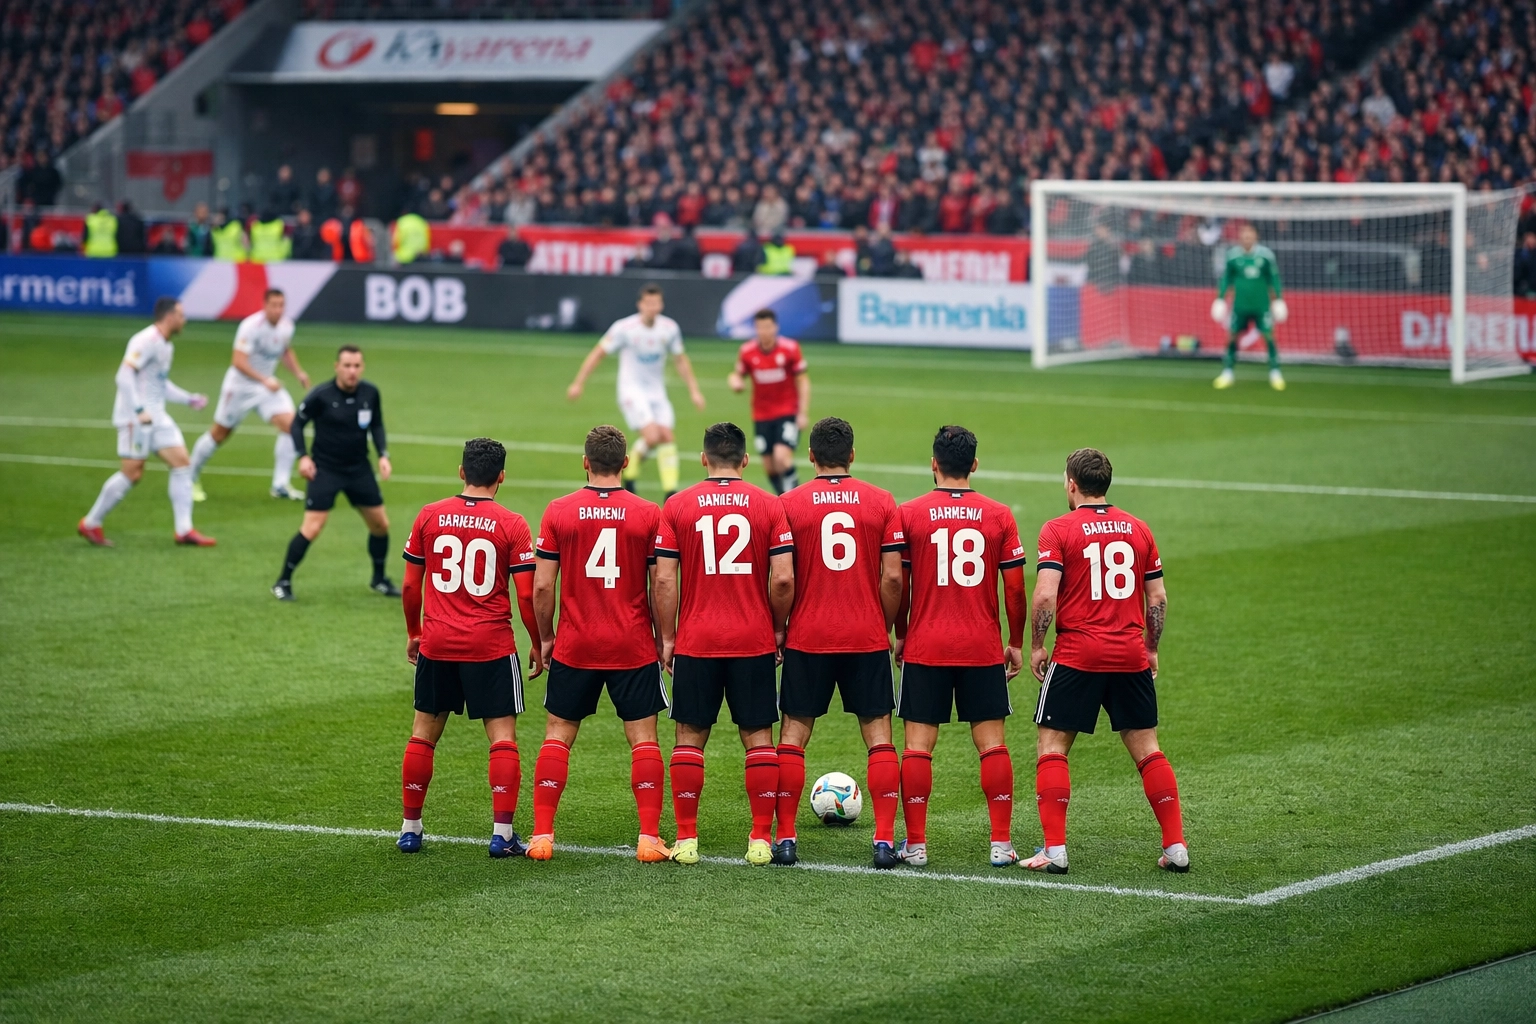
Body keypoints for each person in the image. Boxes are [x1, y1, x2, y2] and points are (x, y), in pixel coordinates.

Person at [1024, 448, 1185, 875]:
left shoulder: (1058, 529)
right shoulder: (1139, 529)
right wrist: (1151, 648)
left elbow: (1044, 595)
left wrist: (1038, 644)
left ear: (1072, 484)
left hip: (1078, 654)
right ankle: (1175, 846)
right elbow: (1158, 598)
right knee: (1148, 749)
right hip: (1130, 654)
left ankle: (1055, 850)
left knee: (1052, 746)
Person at [652, 422, 795, 866]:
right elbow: (784, 577)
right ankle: (759, 841)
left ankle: (688, 841)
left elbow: (663, 577)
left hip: (697, 639)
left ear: (704, 458)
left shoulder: (677, 505)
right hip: (752, 638)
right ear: (745, 460)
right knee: (758, 739)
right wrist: (776, 627)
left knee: (690, 738)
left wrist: (668, 636)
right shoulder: (770, 506)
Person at [527, 425, 671, 864]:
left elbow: (541, 587)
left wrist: (545, 636)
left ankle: (542, 837)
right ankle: (648, 839)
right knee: (643, 740)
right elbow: (661, 581)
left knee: (557, 737)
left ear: (585, 462)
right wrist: (666, 638)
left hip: (576, 642)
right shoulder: (648, 513)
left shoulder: (559, 511)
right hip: (631, 643)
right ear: (626, 464)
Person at [397, 437, 544, 857]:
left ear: (462, 472)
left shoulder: (429, 515)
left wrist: (414, 632)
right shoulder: (512, 523)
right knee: (502, 738)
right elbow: (527, 596)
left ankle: (410, 828)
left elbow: (410, 584)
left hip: (438, 643)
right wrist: (538, 642)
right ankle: (501, 835)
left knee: (423, 735)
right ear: (501, 477)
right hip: (490, 646)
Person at [893, 425, 1028, 868]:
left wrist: (900, 631)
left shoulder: (909, 513)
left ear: (934, 464)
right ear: (974, 464)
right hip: (981, 645)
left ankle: (915, 845)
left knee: (917, 746)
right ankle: (1002, 844)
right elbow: (1014, 590)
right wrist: (1014, 641)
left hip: (926, 644)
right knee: (991, 745)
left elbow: (899, 583)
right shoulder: (999, 515)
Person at [774, 417, 904, 868]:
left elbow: (782, 579)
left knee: (793, 735)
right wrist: (884, 626)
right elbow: (893, 577)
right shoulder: (882, 502)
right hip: (865, 636)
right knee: (879, 738)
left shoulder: (788, 504)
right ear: (851, 455)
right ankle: (885, 843)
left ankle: (786, 840)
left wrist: (779, 626)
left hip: (808, 636)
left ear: (810, 457)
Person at [77, 297, 215, 548]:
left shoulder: (166, 346)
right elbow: (124, 375)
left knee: (182, 463)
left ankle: (184, 530)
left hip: (156, 416)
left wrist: (189, 399)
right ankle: (91, 523)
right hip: (135, 417)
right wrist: (139, 410)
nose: (184, 320)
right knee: (132, 472)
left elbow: (159, 384)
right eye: (181, 315)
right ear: (169, 316)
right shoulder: (146, 341)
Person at [272, 345, 396, 601]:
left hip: (359, 469)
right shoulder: (321, 395)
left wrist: (383, 454)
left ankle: (379, 579)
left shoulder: (370, 393)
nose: (352, 371)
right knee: (312, 527)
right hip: (326, 469)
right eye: (347, 365)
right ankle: (282, 582)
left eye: (357, 366)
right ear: (336, 367)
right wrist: (303, 456)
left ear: (362, 367)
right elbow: (297, 424)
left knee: (380, 524)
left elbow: (377, 425)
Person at [565, 284, 706, 500]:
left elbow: (680, 360)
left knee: (666, 436)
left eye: (656, 303)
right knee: (653, 434)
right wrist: (578, 382)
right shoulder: (624, 328)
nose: (652, 307)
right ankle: (669, 493)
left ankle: (654, 485)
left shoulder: (669, 328)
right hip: (631, 390)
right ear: (640, 304)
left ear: (661, 305)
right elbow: (598, 353)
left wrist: (694, 391)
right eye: (648, 303)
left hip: (657, 392)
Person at [187, 288, 311, 503]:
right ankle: (188, 479)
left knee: (292, 427)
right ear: (264, 306)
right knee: (219, 434)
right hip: (240, 387)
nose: (278, 310)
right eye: (274, 305)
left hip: (266, 388)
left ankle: (280, 485)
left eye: (281, 305)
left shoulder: (286, 326)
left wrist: (298, 372)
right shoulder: (250, 327)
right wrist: (265, 379)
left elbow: (285, 350)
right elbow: (238, 361)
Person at [727, 308, 810, 494]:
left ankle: (794, 502)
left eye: (767, 327)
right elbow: (737, 374)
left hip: (787, 411)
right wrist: (735, 382)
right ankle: (782, 499)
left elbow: (803, 381)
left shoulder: (790, 349)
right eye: (760, 327)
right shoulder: (747, 351)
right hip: (761, 415)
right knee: (770, 467)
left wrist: (803, 413)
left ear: (775, 327)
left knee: (782, 458)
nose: (764, 331)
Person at [1212, 223, 1287, 390]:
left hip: (1261, 306)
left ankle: (1275, 373)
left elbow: (1273, 279)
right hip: (1240, 306)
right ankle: (1227, 372)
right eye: (1244, 234)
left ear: (1255, 236)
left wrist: (1278, 299)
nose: (1247, 237)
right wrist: (1220, 299)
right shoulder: (1232, 256)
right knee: (1232, 336)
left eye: (1250, 234)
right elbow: (1226, 280)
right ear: (1240, 236)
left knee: (1269, 337)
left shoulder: (1266, 256)